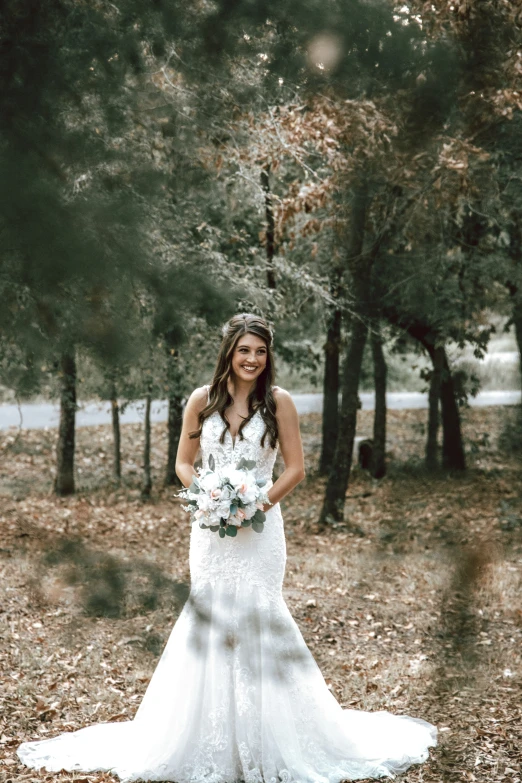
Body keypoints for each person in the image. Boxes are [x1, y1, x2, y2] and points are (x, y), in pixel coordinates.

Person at [18, 313, 437, 782]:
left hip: (261, 531)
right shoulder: (202, 400)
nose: (252, 359)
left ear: (268, 356)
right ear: (229, 353)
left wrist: (254, 505)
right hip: (209, 528)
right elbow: (182, 461)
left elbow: (295, 468)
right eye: (244, 351)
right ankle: (205, 738)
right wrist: (208, 497)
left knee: (260, 615)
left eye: (260, 351)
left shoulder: (280, 403)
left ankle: (269, 738)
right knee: (210, 614)